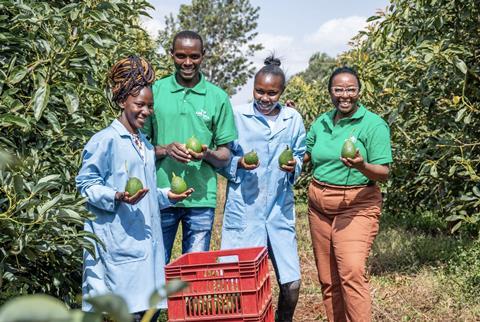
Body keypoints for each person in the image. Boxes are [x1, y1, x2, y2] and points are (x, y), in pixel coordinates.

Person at [76, 56, 193, 321]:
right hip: (119, 245)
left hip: (142, 246)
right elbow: (85, 185)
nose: (146, 111)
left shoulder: (144, 143)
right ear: (122, 102)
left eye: (150, 106)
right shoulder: (105, 141)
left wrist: (166, 196)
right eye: (140, 104)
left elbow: (146, 192)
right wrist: (116, 196)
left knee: (144, 312)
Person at [219, 56, 306, 322]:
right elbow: (222, 157)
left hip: (278, 210)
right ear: (252, 88)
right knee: (241, 282)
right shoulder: (236, 116)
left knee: (291, 284)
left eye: (272, 93)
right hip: (245, 209)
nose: (264, 98)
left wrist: (296, 165)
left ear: (281, 92)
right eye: (259, 91)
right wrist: (237, 163)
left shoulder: (292, 119)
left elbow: (301, 154)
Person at [304, 66, 392, 322]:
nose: (345, 95)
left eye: (351, 89)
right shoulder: (321, 122)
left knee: (351, 273)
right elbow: (307, 154)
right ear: (330, 92)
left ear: (359, 92)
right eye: (338, 89)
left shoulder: (373, 124)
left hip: (356, 205)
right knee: (327, 278)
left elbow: (383, 172)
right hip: (319, 205)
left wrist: (361, 166)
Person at [143, 30, 237, 263]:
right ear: (171, 55)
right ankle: (162, 302)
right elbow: (139, 148)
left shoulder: (217, 97)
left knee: (195, 272)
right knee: (157, 266)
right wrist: (165, 150)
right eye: (181, 56)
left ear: (203, 56)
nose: (187, 62)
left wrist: (207, 154)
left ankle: (189, 302)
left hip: (201, 198)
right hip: (161, 193)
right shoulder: (155, 92)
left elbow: (225, 155)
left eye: (194, 56)